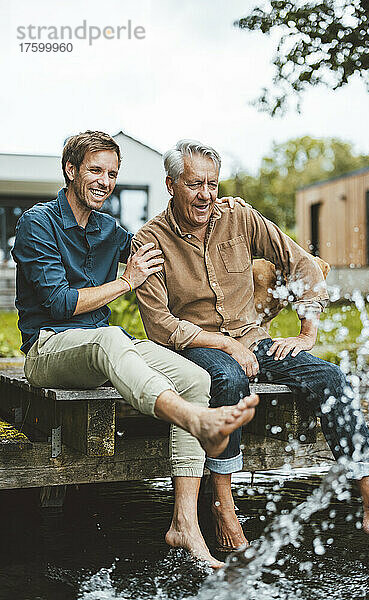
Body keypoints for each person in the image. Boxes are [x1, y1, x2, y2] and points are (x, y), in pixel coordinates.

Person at [134, 139, 369, 550]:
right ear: (170, 185)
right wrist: (225, 345)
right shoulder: (149, 239)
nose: (206, 195)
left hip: (253, 338)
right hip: (195, 345)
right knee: (226, 378)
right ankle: (223, 504)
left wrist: (306, 332)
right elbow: (160, 325)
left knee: (329, 377)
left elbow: (301, 263)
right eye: (194, 184)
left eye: (212, 184)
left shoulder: (239, 216)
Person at [11, 131, 259, 569]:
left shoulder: (113, 231)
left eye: (112, 173)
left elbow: (171, 240)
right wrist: (127, 282)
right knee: (112, 337)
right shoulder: (37, 223)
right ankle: (190, 419)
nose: (105, 181)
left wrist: (217, 213)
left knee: (195, 377)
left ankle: (184, 523)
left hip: (102, 348)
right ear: (70, 171)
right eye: (95, 170)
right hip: (48, 350)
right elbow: (58, 302)